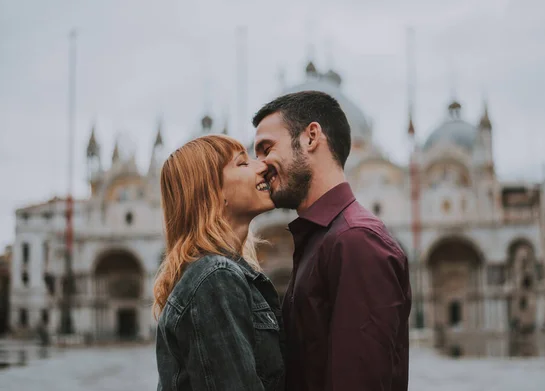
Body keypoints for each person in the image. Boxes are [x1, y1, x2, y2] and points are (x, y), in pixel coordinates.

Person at [253, 90, 412, 391]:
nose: (259, 166)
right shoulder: (321, 240)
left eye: (266, 148)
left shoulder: (356, 242)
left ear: (311, 137)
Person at [154, 135, 285, 391]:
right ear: (213, 192)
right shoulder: (215, 277)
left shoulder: (217, 272)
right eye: (243, 163)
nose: (263, 165)